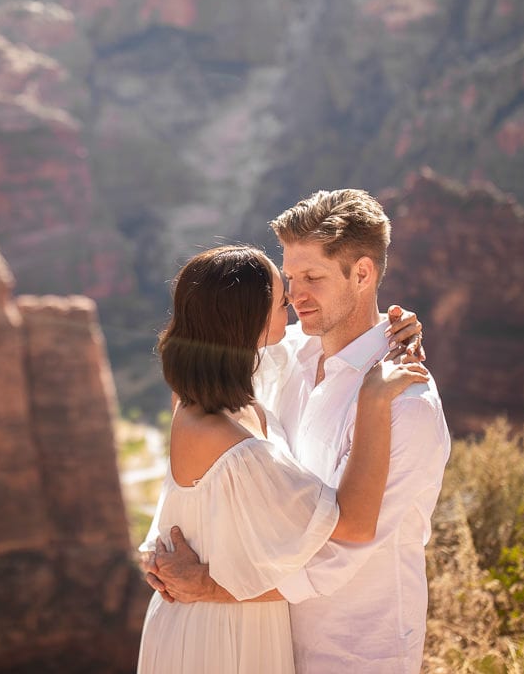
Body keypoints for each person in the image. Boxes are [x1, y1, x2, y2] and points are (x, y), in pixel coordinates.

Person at [145, 190, 451, 674]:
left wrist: (208, 587)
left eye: (313, 278)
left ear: (363, 274)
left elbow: (343, 549)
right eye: (289, 279)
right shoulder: (286, 354)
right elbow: (204, 393)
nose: (294, 297)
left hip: (351, 652)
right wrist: (162, 547)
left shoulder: (406, 406)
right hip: (262, 647)